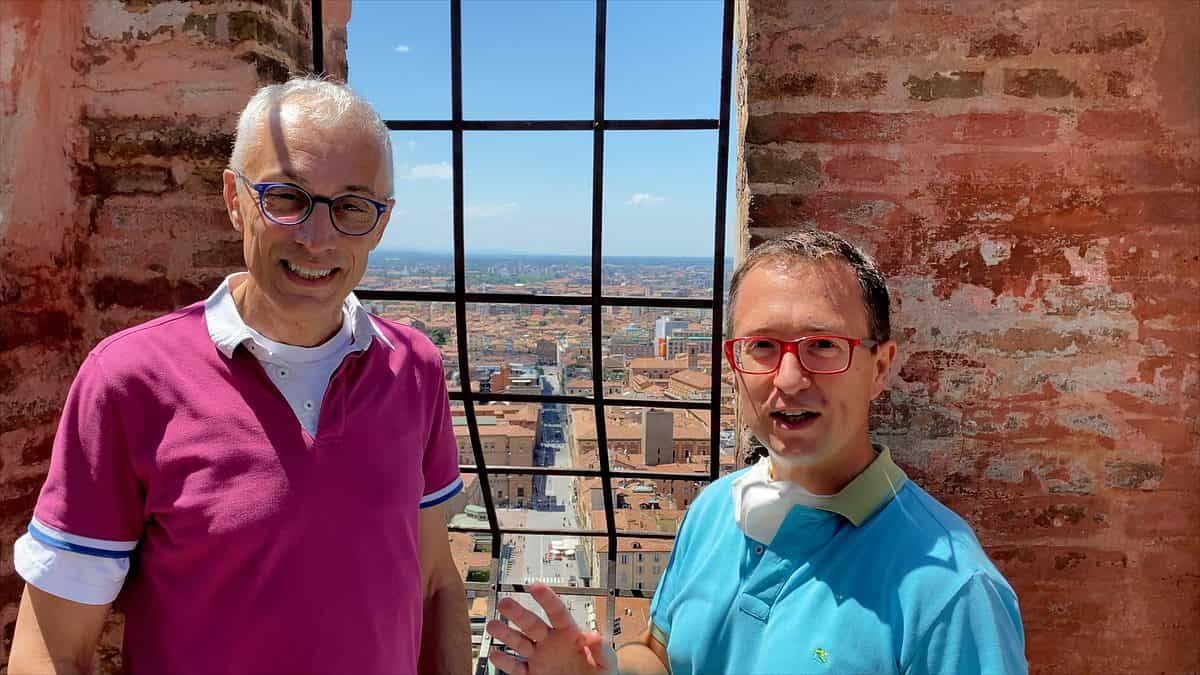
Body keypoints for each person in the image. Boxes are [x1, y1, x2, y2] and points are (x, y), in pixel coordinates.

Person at [9, 77, 471, 674]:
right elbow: (51, 650)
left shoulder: (415, 369)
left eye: (352, 208)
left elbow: (434, 581)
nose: (317, 237)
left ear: (381, 225)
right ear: (234, 199)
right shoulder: (130, 380)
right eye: (286, 197)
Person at [485, 229, 1026, 674]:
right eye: (762, 346)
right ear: (733, 362)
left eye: (823, 346)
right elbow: (663, 655)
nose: (788, 379)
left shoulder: (952, 593)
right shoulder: (715, 509)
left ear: (880, 367)